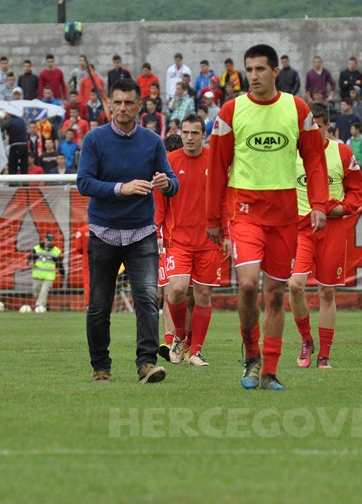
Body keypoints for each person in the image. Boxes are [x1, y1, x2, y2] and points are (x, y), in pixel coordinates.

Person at [206, 44, 328, 391]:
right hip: (244, 211)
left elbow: (315, 160)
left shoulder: (297, 108)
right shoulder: (231, 111)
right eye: (250, 69)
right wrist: (212, 218)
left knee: (275, 294)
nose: (254, 76)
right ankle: (251, 356)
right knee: (247, 285)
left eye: (260, 69)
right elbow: (217, 167)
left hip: (286, 215)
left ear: (276, 71)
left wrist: (318, 203)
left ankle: (270, 370)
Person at [76, 78, 179, 384]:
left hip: (141, 233)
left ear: (139, 105)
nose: (122, 108)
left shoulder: (152, 141)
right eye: (117, 102)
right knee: (98, 305)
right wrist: (122, 188)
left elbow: (173, 181)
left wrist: (166, 183)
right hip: (103, 233)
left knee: (147, 298)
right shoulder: (94, 140)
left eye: (128, 103)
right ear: (110, 104)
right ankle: (100, 367)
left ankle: (146, 363)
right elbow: (84, 182)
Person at [288, 101, 362, 369]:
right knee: (295, 284)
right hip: (301, 229)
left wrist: (342, 209)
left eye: (318, 127)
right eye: (308, 127)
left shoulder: (342, 153)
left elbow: (357, 190)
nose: (312, 132)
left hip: (332, 229)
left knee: (327, 292)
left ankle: (324, 355)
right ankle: (306, 340)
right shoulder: (292, 154)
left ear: (327, 126)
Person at [154, 114, 226, 367]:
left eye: (195, 133)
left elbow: (225, 200)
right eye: (185, 132)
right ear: (180, 133)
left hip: (209, 241)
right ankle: (180, 338)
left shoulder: (215, 162)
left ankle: (196, 351)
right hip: (179, 240)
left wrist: (226, 233)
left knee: (203, 295)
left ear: (203, 135)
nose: (189, 137)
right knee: (175, 290)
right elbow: (160, 202)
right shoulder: (169, 162)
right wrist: (158, 232)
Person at [28, 233, 64, 311]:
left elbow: (59, 264)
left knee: (44, 291)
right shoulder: (36, 249)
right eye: (48, 240)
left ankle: (39, 307)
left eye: (51, 240)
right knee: (36, 293)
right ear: (44, 239)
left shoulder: (56, 251)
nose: (49, 242)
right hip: (37, 275)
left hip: (49, 277)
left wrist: (62, 274)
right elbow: (30, 259)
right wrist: (30, 263)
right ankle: (45, 306)